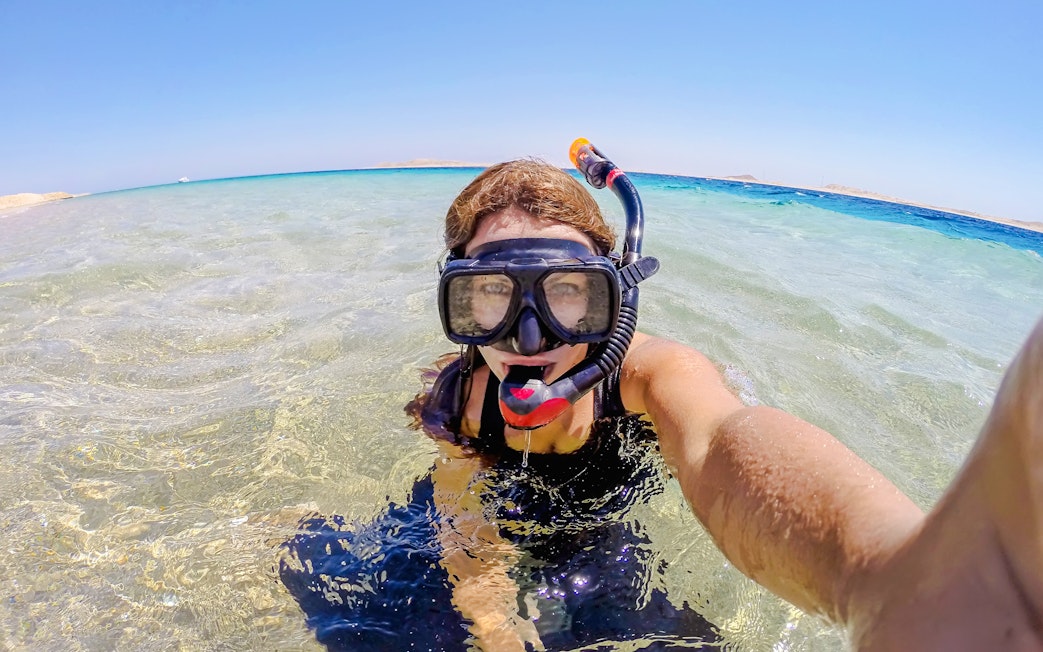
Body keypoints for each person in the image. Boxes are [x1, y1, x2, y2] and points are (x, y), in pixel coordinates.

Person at [281, 142, 1043, 651]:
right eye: (489, 295)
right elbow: (465, 523)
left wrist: (876, 576)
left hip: (594, 543)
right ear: (456, 306)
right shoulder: (462, 394)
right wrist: (492, 626)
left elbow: (719, 441)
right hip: (466, 528)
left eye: (568, 294)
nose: (530, 335)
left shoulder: (649, 374)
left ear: (615, 298)